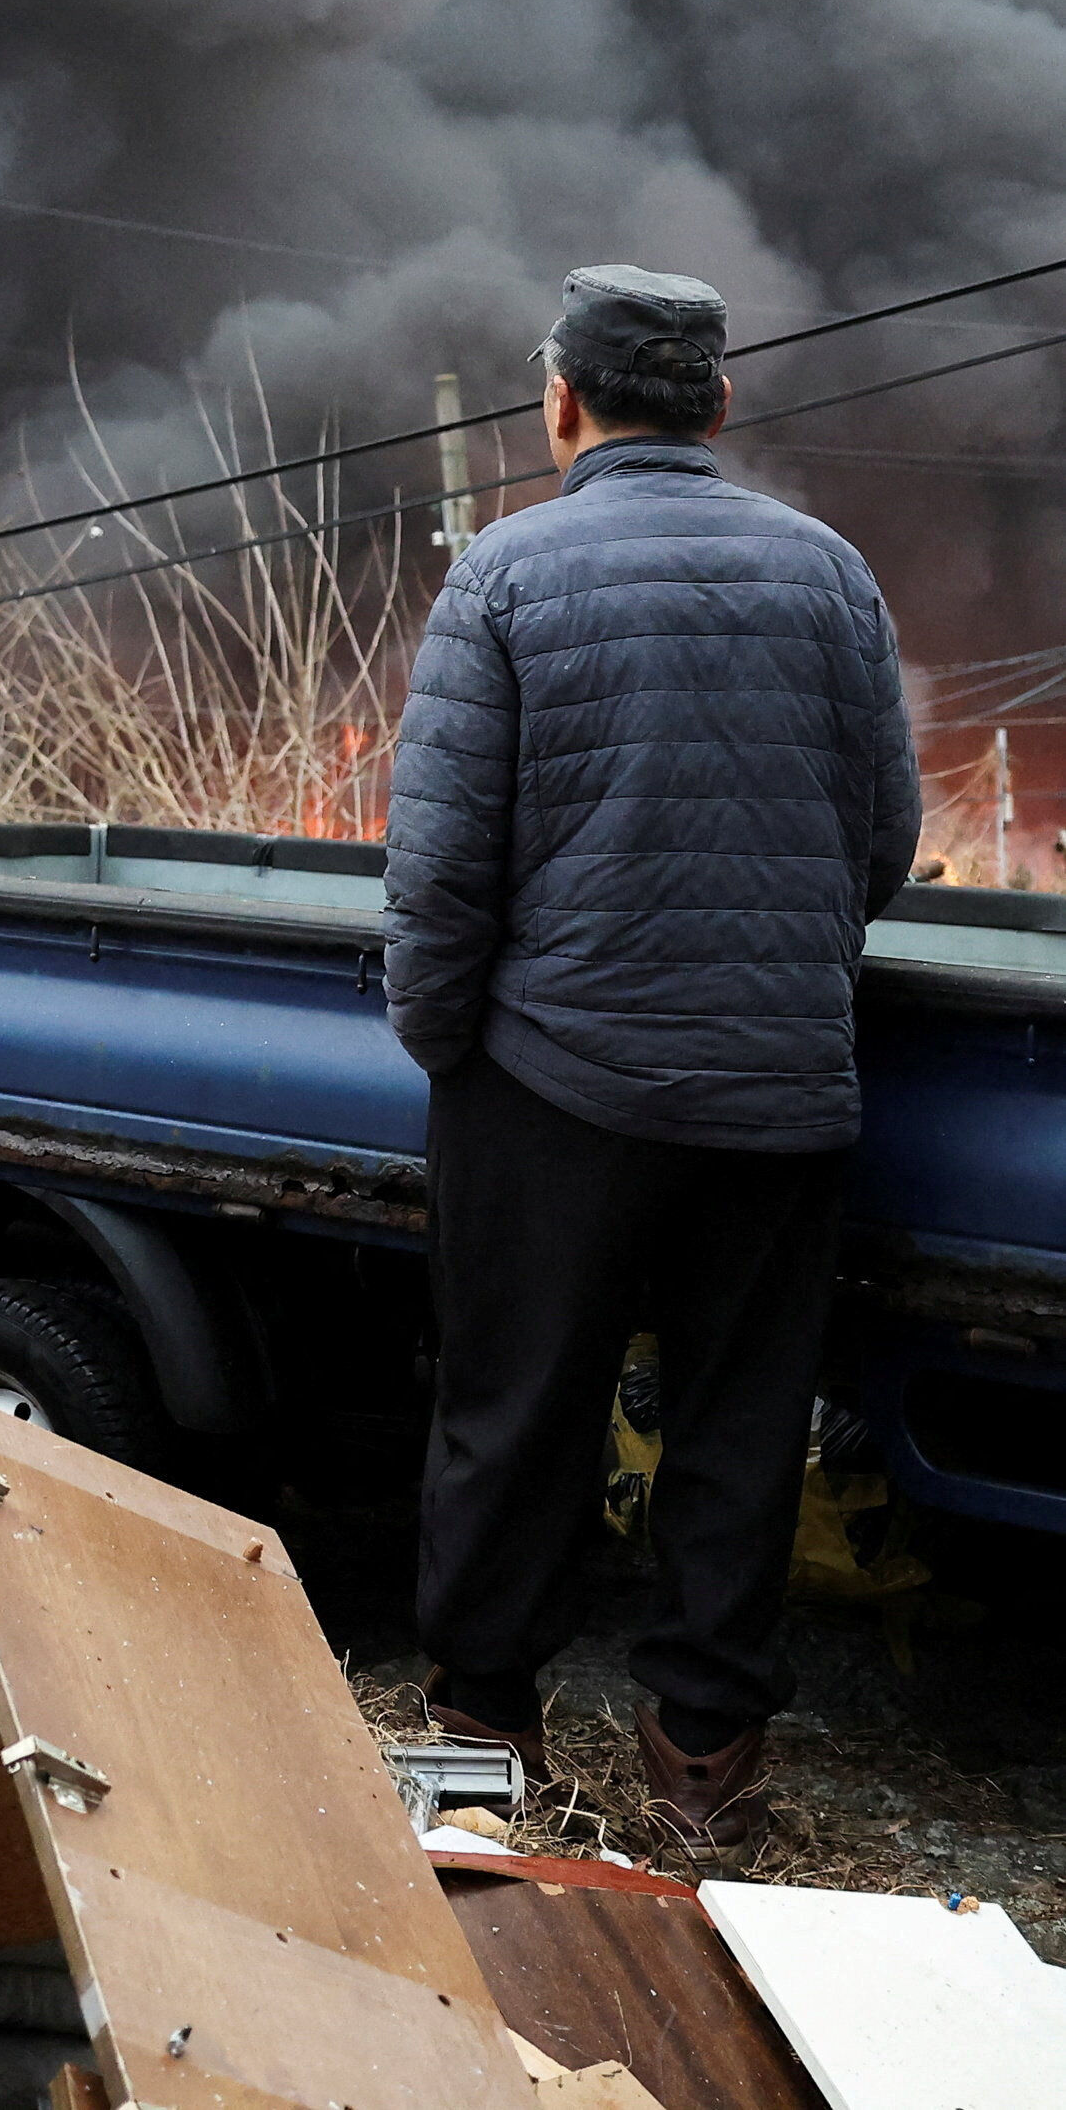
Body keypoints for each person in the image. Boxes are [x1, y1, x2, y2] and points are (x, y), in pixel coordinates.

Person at [381, 264, 921, 1852]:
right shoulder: (831, 575)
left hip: (556, 1090)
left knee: (514, 1411)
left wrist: (451, 1052)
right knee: (742, 1429)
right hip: (779, 1097)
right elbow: (882, 840)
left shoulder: (506, 578)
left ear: (561, 401)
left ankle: (482, 1744)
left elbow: (439, 879)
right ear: (720, 402)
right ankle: (704, 1776)